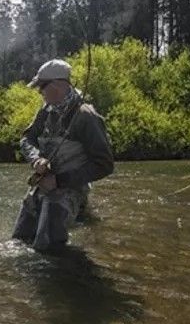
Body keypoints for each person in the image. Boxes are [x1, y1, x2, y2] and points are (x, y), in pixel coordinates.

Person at [11, 59, 114, 252]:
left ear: (58, 85)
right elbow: (27, 139)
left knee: (47, 248)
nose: (39, 92)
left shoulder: (86, 116)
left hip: (72, 189)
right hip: (43, 184)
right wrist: (36, 160)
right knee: (19, 240)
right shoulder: (45, 111)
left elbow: (105, 164)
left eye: (42, 87)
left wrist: (59, 181)